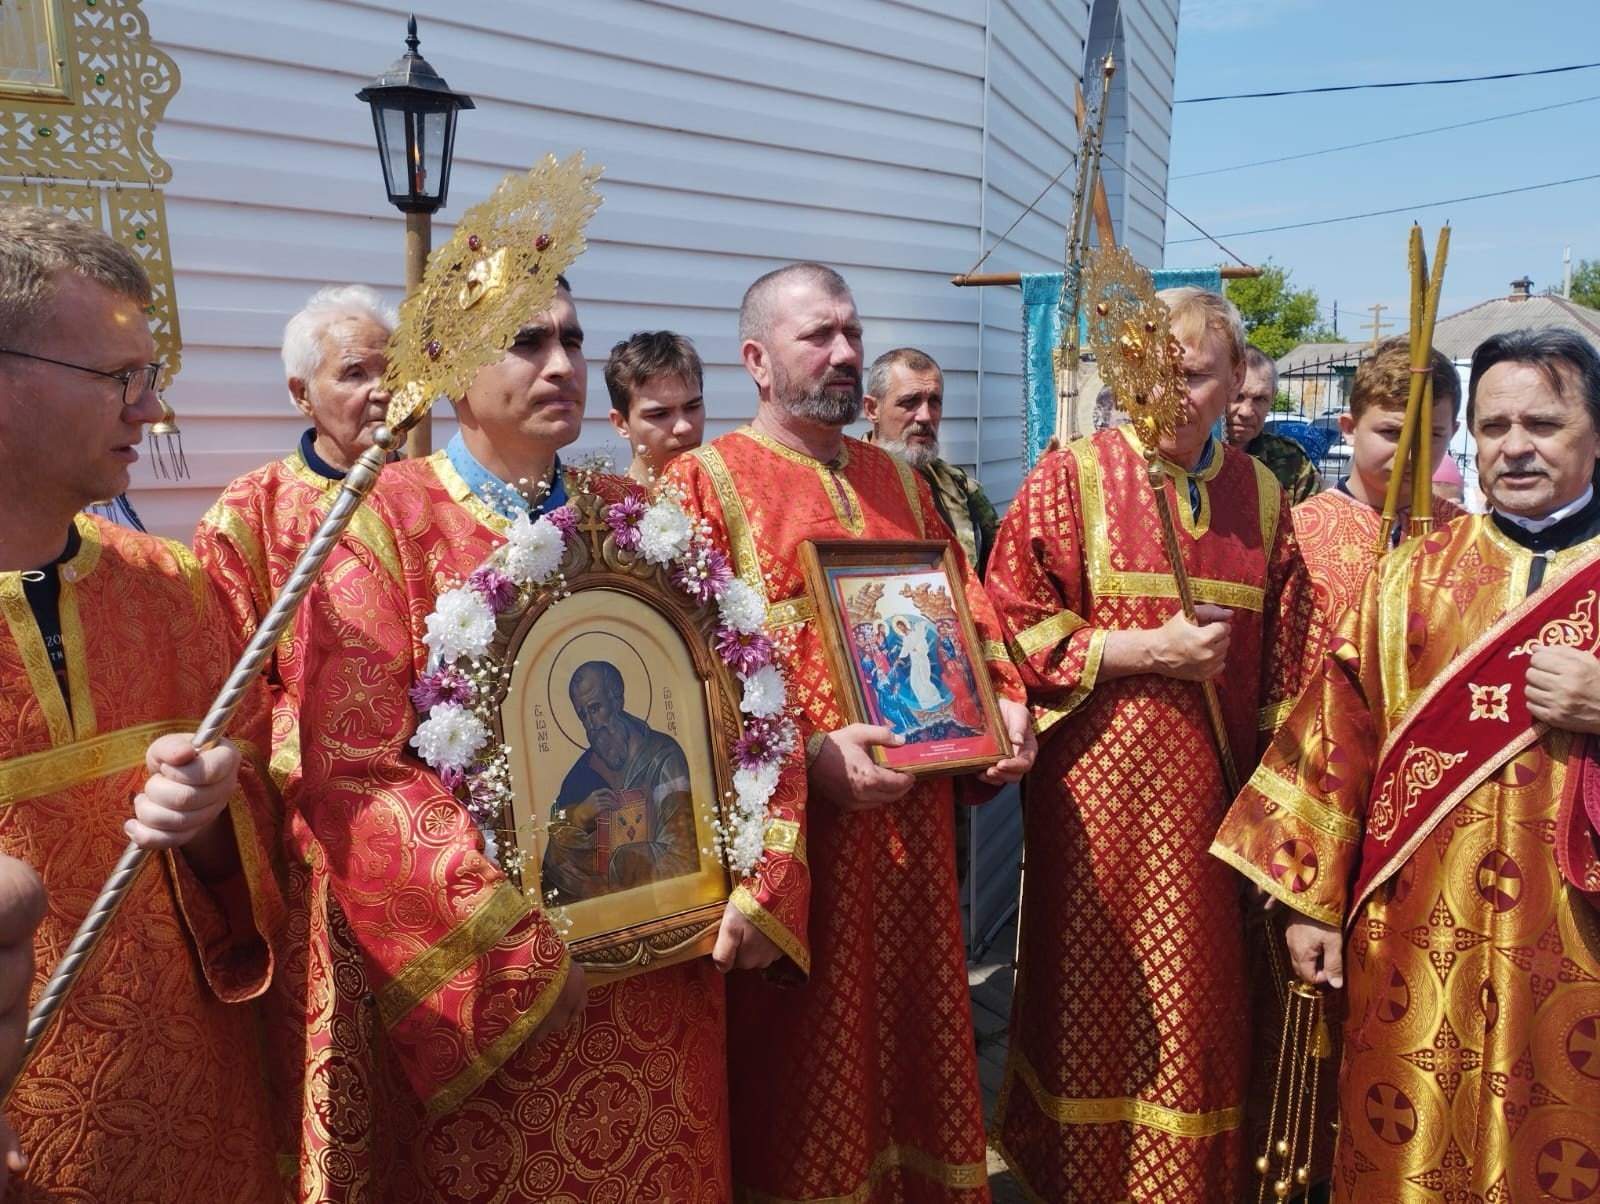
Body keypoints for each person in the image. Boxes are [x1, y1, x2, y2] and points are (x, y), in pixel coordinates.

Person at [288, 272, 798, 1201]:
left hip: (665, 979)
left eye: (571, 338)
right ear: (448, 369)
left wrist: (768, 880)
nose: (562, 363)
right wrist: (510, 949)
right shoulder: (387, 525)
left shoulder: (641, 519)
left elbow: (749, 707)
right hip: (512, 1009)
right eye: (527, 341)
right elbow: (354, 773)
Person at [664, 261, 1037, 1202]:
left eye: (851, 333)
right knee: (801, 1094)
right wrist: (807, 756)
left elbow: (972, 614)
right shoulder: (699, 490)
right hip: (798, 868)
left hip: (914, 854)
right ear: (756, 358)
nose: (843, 353)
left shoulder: (901, 487)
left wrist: (1003, 702)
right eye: (816, 336)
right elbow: (679, 689)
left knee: (913, 1070)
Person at [1213, 328, 1600, 1201]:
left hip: (1578, 946)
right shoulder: (1411, 578)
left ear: (1596, 432)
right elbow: (1333, 738)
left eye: (1543, 422)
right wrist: (1306, 901)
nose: (1514, 445)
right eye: (1495, 425)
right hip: (1415, 935)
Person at [983, 286, 1318, 1202]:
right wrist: (1142, 651)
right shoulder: (1071, 475)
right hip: (1093, 821)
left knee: (1198, 1017)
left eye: (1198, 373)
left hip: (1214, 825)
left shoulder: (1261, 496)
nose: (1173, 388)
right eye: (1155, 367)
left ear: (1235, 382)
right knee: (1089, 1010)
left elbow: (1290, 678)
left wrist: (1280, 830)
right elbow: (1006, 622)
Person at [0, 204, 281, 1199]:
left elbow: (258, 836)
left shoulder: (169, 587)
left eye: (150, 377)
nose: (151, 411)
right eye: (119, 378)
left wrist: (217, 809)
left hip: (199, 1109)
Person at [1290, 336, 1463, 641]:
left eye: (1432, 435)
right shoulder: (1297, 533)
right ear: (1349, 429)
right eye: (1391, 432)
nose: (1410, 453)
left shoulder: (1464, 536)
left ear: (1452, 433)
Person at [544, 660, 699, 900]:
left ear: (616, 700)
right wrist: (578, 816)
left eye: (595, 708)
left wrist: (623, 861)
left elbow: (682, 852)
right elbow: (554, 868)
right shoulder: (582, 773)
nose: (592, 724)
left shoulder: (664, 758)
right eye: (582, 715)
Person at [863, 346, 1001, 575]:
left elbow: (1004, 562)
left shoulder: (959, 488)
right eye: (909, 402)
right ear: (871, 409)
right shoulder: (845, 486)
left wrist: (1037, 492)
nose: (925, 416)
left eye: (934, 401)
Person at [604, 329, 706, 484]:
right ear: (621, 423)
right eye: (660, 414)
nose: (684, 427)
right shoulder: (602, 506)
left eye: (693, 407)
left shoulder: (733, 496)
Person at [1228, 346, 1322, 503]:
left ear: (1273, 398)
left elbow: (1309, 522)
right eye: (1238, 396)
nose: (1246, 411)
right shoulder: (1190, 455)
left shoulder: (1293, 461)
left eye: (1260, 399)